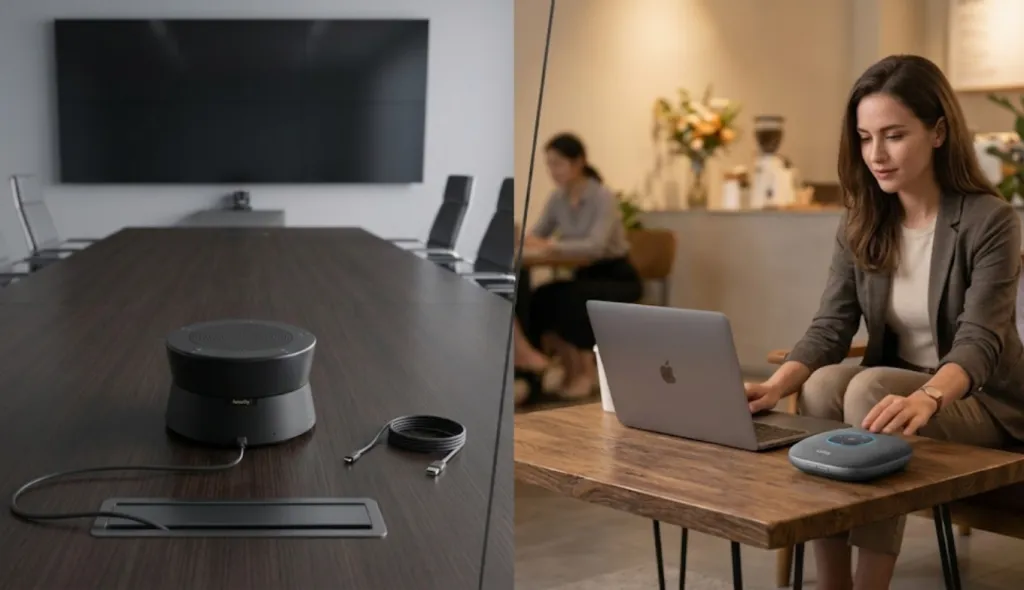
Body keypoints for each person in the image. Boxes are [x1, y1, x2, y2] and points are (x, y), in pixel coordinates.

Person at [744, 54, 1024, 590]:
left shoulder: (989, 221)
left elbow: (981, 340)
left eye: (894, 135)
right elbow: (832, 324)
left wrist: (929, 397)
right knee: (825, 383)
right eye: (865, 136)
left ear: (938, 131)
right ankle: (833, 584)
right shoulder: (862, 220)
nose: (876, 154)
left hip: (981, 400)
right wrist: (775, 387)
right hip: (894, 387)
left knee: (869, 387)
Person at [518, 132, 643, 399]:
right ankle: (566, 370)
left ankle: (585, 373)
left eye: (558, 163)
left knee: (572, 299)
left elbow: (595, 246)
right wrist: (523, 239)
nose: (553, 171)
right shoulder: (557, 199)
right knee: (541, 297)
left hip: (617, 276)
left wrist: (551, 247)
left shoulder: (602, 197)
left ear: (579, 163)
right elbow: (538, 235)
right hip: (584, 274)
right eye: (549, 164)